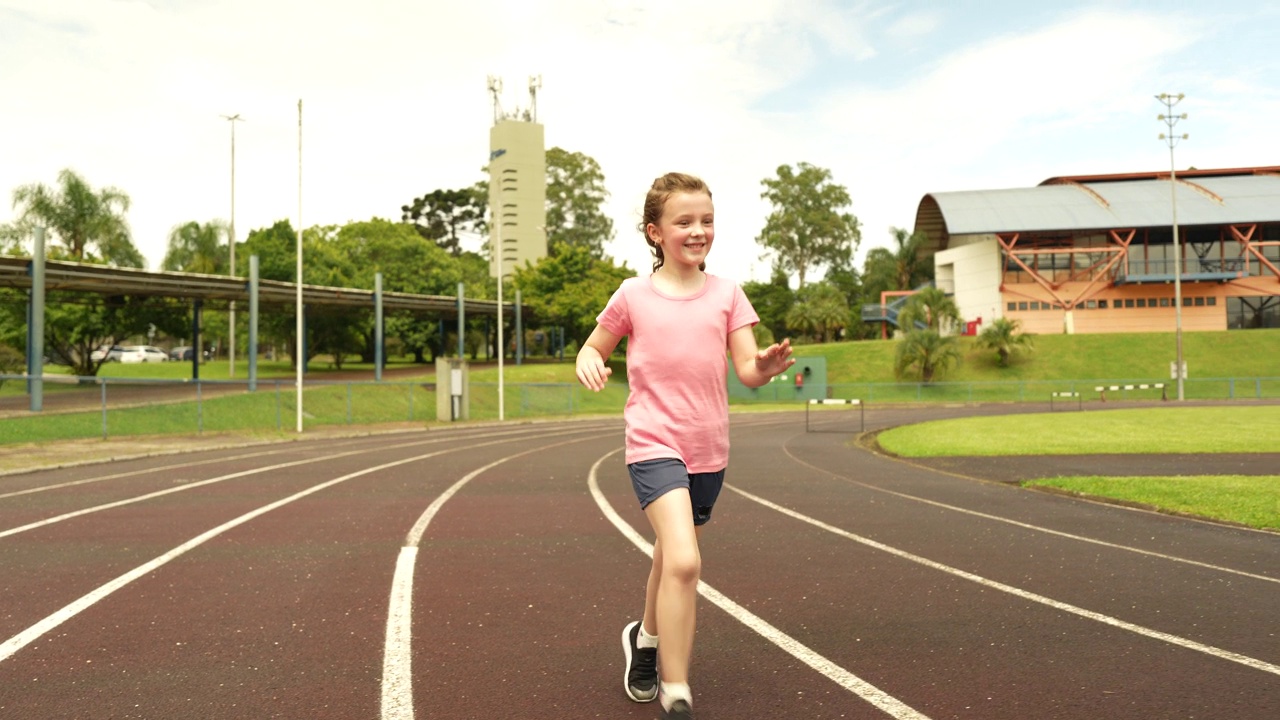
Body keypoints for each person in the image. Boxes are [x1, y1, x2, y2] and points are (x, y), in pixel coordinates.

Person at [575, 172, 794, 720]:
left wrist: (763, 368)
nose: (699, 231)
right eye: (685, 222)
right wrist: (589, 359)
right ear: (655, 232)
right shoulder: (632, 295)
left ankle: (643, 642)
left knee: (670, 558)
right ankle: (675, 687)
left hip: (708, 451)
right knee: (687, 561)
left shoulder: (727, 294)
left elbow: (745, 370)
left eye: (707, 221)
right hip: (653, 442)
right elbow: (593, 346)